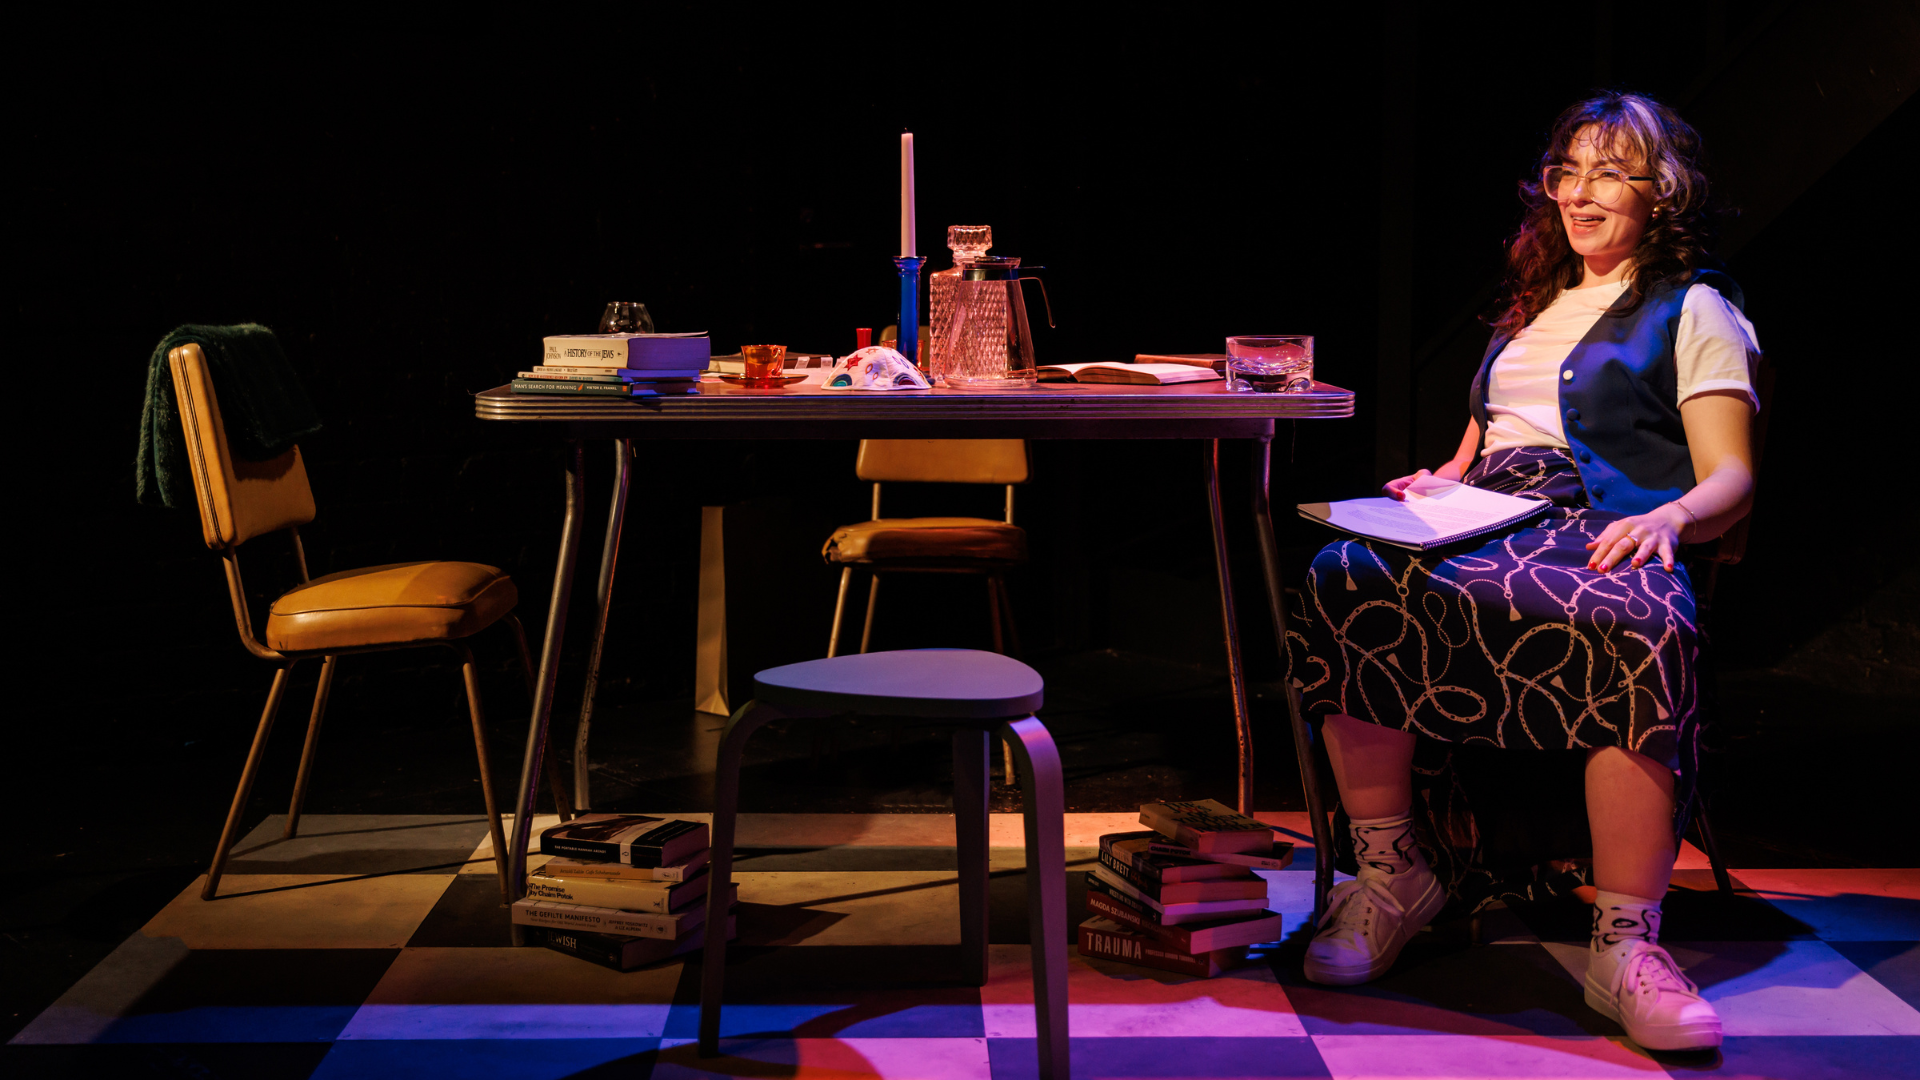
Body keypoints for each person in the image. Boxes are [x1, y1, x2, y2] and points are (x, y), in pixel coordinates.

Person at [1288, 91, 1759, 1053]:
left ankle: (1626, 942)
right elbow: (1493, 431)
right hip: (1491, 510)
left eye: (1610, 173)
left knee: (1639, 622)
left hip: (1604, 521)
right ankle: (1391, 874)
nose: (1579, 196)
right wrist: (1443, 476)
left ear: (1661, 194)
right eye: (1567, 173)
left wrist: (1669, 518)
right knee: (1349, 574)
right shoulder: (1533, 304)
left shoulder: (1693, 307)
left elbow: (1733, 477)